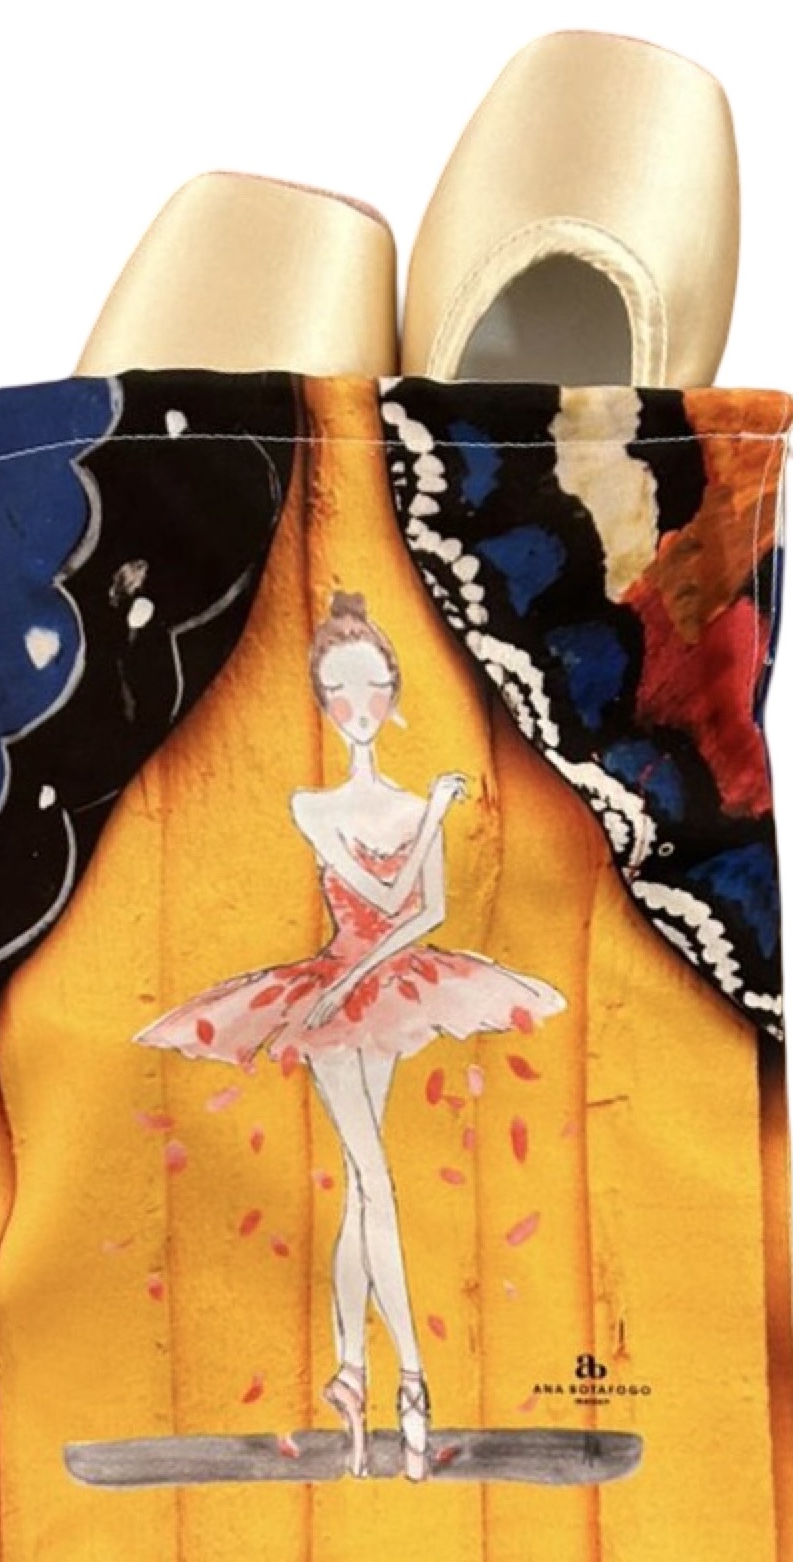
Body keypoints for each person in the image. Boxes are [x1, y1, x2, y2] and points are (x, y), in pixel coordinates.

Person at [135, 590, 565, 1480]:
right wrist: (433, 822)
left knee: (364, 1197)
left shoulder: (412, 801)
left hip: (382, 991)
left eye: (370, 685)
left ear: (394, 690)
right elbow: (379, 899)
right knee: (374, 1179)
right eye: (338, 690)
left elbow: (429, 913)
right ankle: (412, 1380)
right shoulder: (316, 806)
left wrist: (421, 834)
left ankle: (350, 1374)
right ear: (321, 702)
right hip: (332, 1000)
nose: (357, 704)